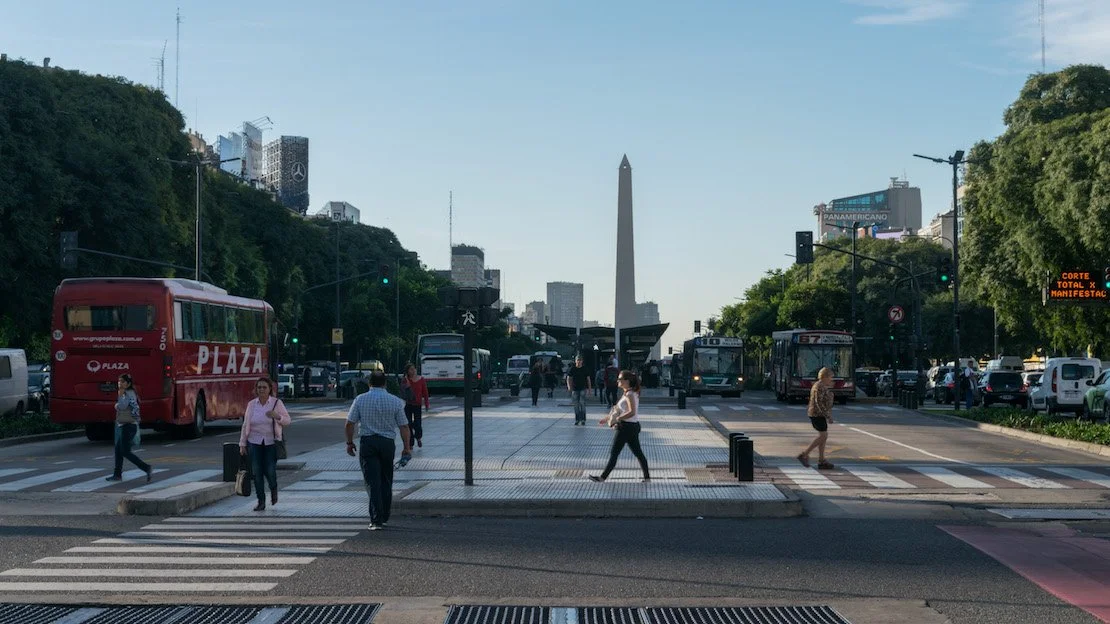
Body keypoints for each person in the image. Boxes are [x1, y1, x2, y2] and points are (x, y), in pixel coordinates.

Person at [345, 371, 412, 530]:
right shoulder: (395, 401)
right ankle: (385, 515)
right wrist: (406, 448)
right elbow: (404, 426)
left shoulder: (360, 399)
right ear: (385, 383)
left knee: (372, 481)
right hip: (387, 443)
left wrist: (349, 442)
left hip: (368, 443)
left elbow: (349, 423)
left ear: (369, 383)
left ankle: (376, 519)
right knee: (386, 479)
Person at [239, 377, 291, 512]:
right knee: (257, 472)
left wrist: (277, 416)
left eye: (264, 387)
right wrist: (242, 444)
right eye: (259, 387)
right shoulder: (252, 404)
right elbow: (245, 425)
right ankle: (261, 501)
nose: (261, 390)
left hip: (271, 442)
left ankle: (273, 487)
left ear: (269, 389)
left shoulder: (276, 403)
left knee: (270, 470)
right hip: (254, 442)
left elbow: (287, 421)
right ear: (256, 389)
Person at [588, 370, 650, 483]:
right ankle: (647, 478)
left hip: (626, 427)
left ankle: (602, 478)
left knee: (614, 453)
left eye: (620, 379)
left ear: (627, 381)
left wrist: (618, 419)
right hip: (632, 426)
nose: (618, 381)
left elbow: (632, 412)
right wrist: (606, 419)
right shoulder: (627, 393)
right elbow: (617, 409)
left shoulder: (630, 394)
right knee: (638, 453)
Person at [106, 373, 153, 483]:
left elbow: (122, 406)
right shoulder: (132, 392)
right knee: (118, 450)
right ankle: (117, 474)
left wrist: (116, 405)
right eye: (119, 381)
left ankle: (146, 468)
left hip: (128, 425)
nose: (120, 383)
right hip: (128, 424)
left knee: (125, 452)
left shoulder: (126, 393)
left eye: (122, 381)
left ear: (128, 383)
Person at [798, 366, 835, 470]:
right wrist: (828, 416)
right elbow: (819, 404)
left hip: (818, 414)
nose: (831, 380)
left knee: (823, 436)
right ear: (825, 377)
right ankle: (805, 454)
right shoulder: (819, 386)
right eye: (830, 377)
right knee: (823, 436)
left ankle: (821, 460)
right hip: (816, 414)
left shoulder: (821, 386)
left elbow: (825, 402)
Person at [400, 364, 430, 449]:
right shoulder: (405, 380)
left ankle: (418, 437)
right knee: (408, 424)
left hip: (417, 405)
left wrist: (427, 403)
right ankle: (410, 443)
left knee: (418, 423)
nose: (413, 371)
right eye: (411, 369)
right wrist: (406, 381)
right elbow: (402, 391)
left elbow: (425, 393)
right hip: (408, 404)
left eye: (414, 369)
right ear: (407, 371)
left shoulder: (421, 379)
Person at [567, 355, 593, 425]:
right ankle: (577, 419)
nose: (579, 362)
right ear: (575, 361)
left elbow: (588, 379)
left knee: (582, 404)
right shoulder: (572, 369)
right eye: (578, 360)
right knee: (576, 405)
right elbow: (569, 378)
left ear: (582, 361)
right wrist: (569, 387)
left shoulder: (585, 369)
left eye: (580, 360)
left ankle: (583, 419)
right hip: (575, 389)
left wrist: (590, 389)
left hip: (583, 388)